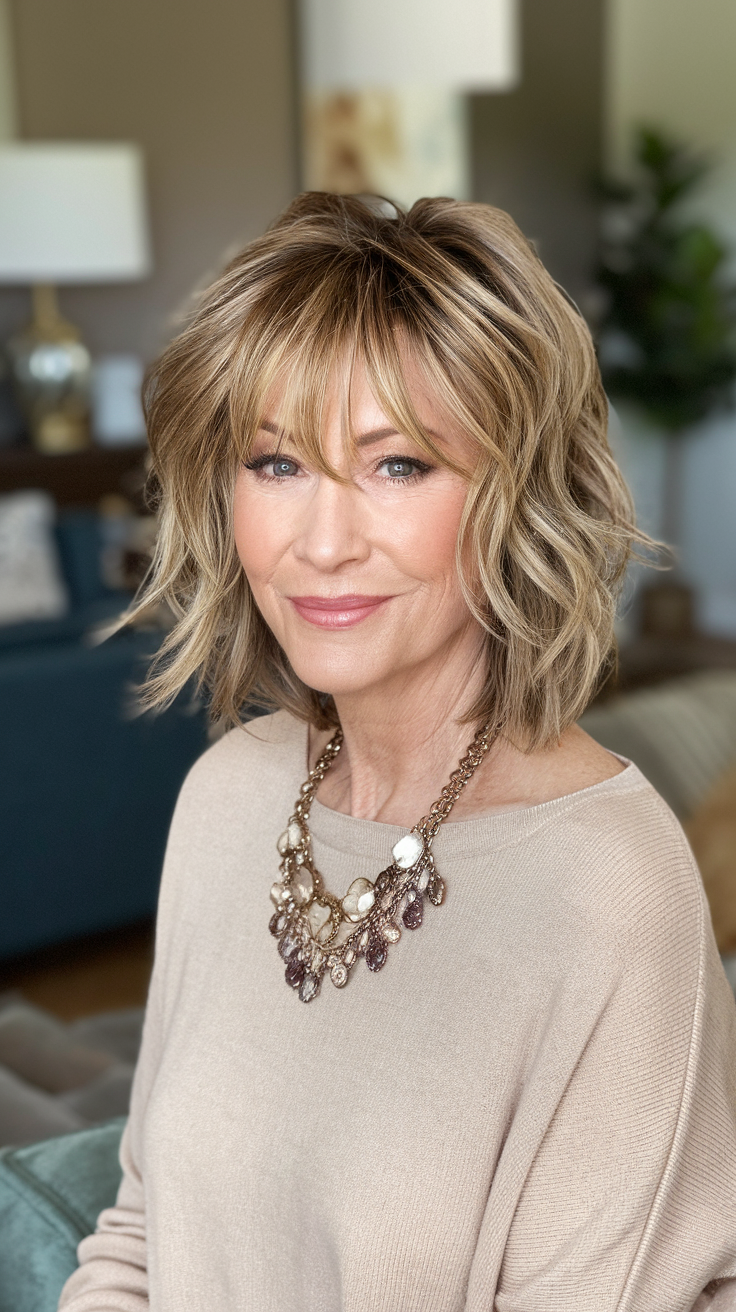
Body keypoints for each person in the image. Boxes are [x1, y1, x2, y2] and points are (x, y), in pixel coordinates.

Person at [59, 193, 736, 1312]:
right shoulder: (225, 796)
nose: (322, 543)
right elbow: (138, 1236)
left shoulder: (604, 884)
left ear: (514, 497)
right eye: (275, 464)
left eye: (397, 465)